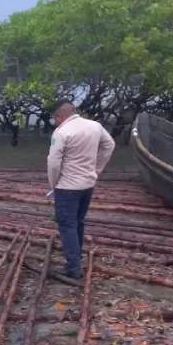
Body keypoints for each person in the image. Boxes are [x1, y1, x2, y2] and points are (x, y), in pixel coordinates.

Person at [46, 100, 116, 279]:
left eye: (55, 119)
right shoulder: (95, 126)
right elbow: (109, 146)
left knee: (67, 225)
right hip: (87, 185)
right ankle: (76, 258)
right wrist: (96, 169)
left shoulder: (61, 132)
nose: (55, 122)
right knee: (78, 221)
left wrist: (54, 184)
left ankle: (73, 268)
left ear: (59, 116)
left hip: (67, 187)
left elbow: (53, 163)